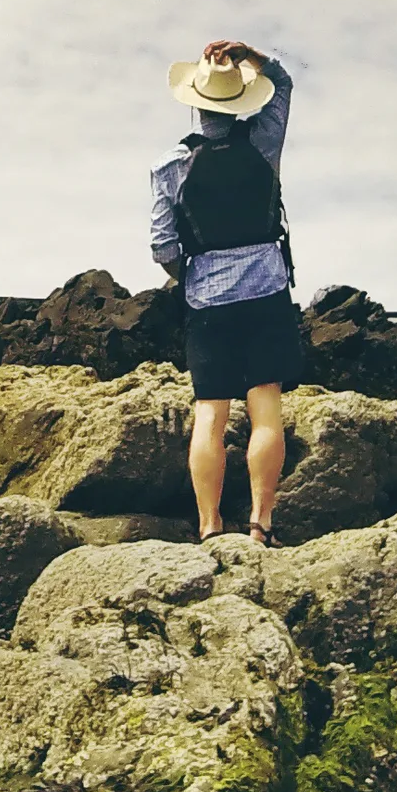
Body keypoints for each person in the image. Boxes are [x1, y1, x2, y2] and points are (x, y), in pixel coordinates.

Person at [149, 39, 300, 545]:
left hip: (206, 300)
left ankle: (210, 527)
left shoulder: (171, 165)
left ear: (194, 100)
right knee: (266, 408)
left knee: (210, 413)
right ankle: (261, 524)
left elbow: (162, 244)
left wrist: (187, 277)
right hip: (267, 290)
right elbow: (284, 83)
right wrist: (249, 53)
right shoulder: (263, 142)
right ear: (241, 99)